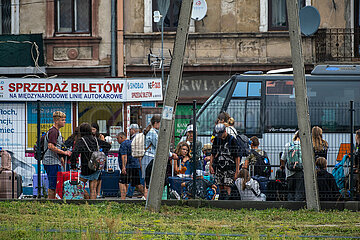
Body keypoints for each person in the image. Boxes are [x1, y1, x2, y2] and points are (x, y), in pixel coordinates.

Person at [70, 123, 111, 199]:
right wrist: (102, 152)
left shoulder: (81, 141)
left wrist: (73, 165)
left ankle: (87, 198)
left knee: (79, 185)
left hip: (85, 167)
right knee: (93, 188)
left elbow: (74, 153)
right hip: (95, 166)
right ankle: (92, 205)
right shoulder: (95, 139)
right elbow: (108, 145)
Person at [142, 115, 177, 198]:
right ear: (156, 123)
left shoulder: (154, 132)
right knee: (149, 182)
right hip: (150, 159)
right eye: (161, 123)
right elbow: (161, 147)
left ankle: (149, 200)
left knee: (150, 182)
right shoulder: (153, 133)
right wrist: (171, 155)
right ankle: (147, 201)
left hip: (150, 158)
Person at [43, 111, 72, 199]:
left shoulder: (56, 131)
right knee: (53, 184)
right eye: (62, 120)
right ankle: (51, 202)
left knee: (56, 183)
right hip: (51, 161)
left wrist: (61, 159)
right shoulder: (53, 131)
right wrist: (64, 153)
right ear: (56, 121)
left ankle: (52, 201)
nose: (64, 122)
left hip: (55, 160)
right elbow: (51, 146)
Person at [209, 123, 241, 200]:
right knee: (220, 185)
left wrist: (237, 171)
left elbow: (237, 157)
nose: (219, 136)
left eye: (221, 134)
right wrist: (210, 165)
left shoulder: (232, 140)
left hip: (229, 167)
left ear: (225, 131)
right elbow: (213, 153)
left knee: (227, 185)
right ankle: (221, 200)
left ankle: (228, 201)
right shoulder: (217, 140)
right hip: (219, 166)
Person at [117, 132, 144, 200]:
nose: (117, 141)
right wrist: (140, 165)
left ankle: (123, 200)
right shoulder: (132, 142)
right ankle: (147, 195)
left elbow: (124, 156)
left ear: (121, 137)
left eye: (117, 139)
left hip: (128, 166)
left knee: (122, 182)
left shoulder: (123, 144)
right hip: (136, 165)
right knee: (138, 184)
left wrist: (123, 167)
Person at [281, 130, 305, 201]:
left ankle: (290, 206)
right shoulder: (304, 146)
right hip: (300, 171)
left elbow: (283, 159)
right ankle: (297, 206)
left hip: (289, 172)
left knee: (290, 190)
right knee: (299, 190)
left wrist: (282, 166)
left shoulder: (288, 145)